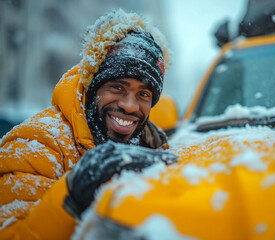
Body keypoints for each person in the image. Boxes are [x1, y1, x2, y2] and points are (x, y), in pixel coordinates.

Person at [0, 8, 178, 239]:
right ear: (92, 87)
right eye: (117, 87)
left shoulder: (152, 146)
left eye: (143, 94)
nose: (130, 106)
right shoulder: (35, 145)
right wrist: (73, 194)